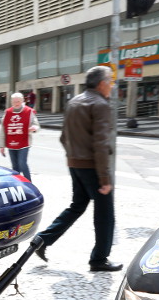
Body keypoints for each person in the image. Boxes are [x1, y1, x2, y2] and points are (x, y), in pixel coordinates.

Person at [34, 65, 120, 272]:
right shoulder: (100, 104)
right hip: (92, 166)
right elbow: (100, 143)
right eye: (110, 82)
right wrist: (105, 178)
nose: (111, 86)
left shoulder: (74, 101)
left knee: (77, 205)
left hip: (75, 163)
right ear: (102, 84)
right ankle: (99, 259)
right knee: (105, 213)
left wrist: (73, 158)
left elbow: (64, 137)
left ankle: (42, 240)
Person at [0, 91, 38, 181]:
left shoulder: (29, 111)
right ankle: (17, 184)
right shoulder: (7, 112)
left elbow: (36, 125)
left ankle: (28, 182)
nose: (16, 103)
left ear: (22, 101)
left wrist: (34, 128)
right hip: (11, 143)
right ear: (11, 102)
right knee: (15, 167)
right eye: (14, 102)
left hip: (24, 143)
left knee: (22, 163)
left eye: (18, 101)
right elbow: (3, 130)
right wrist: (1, 146)